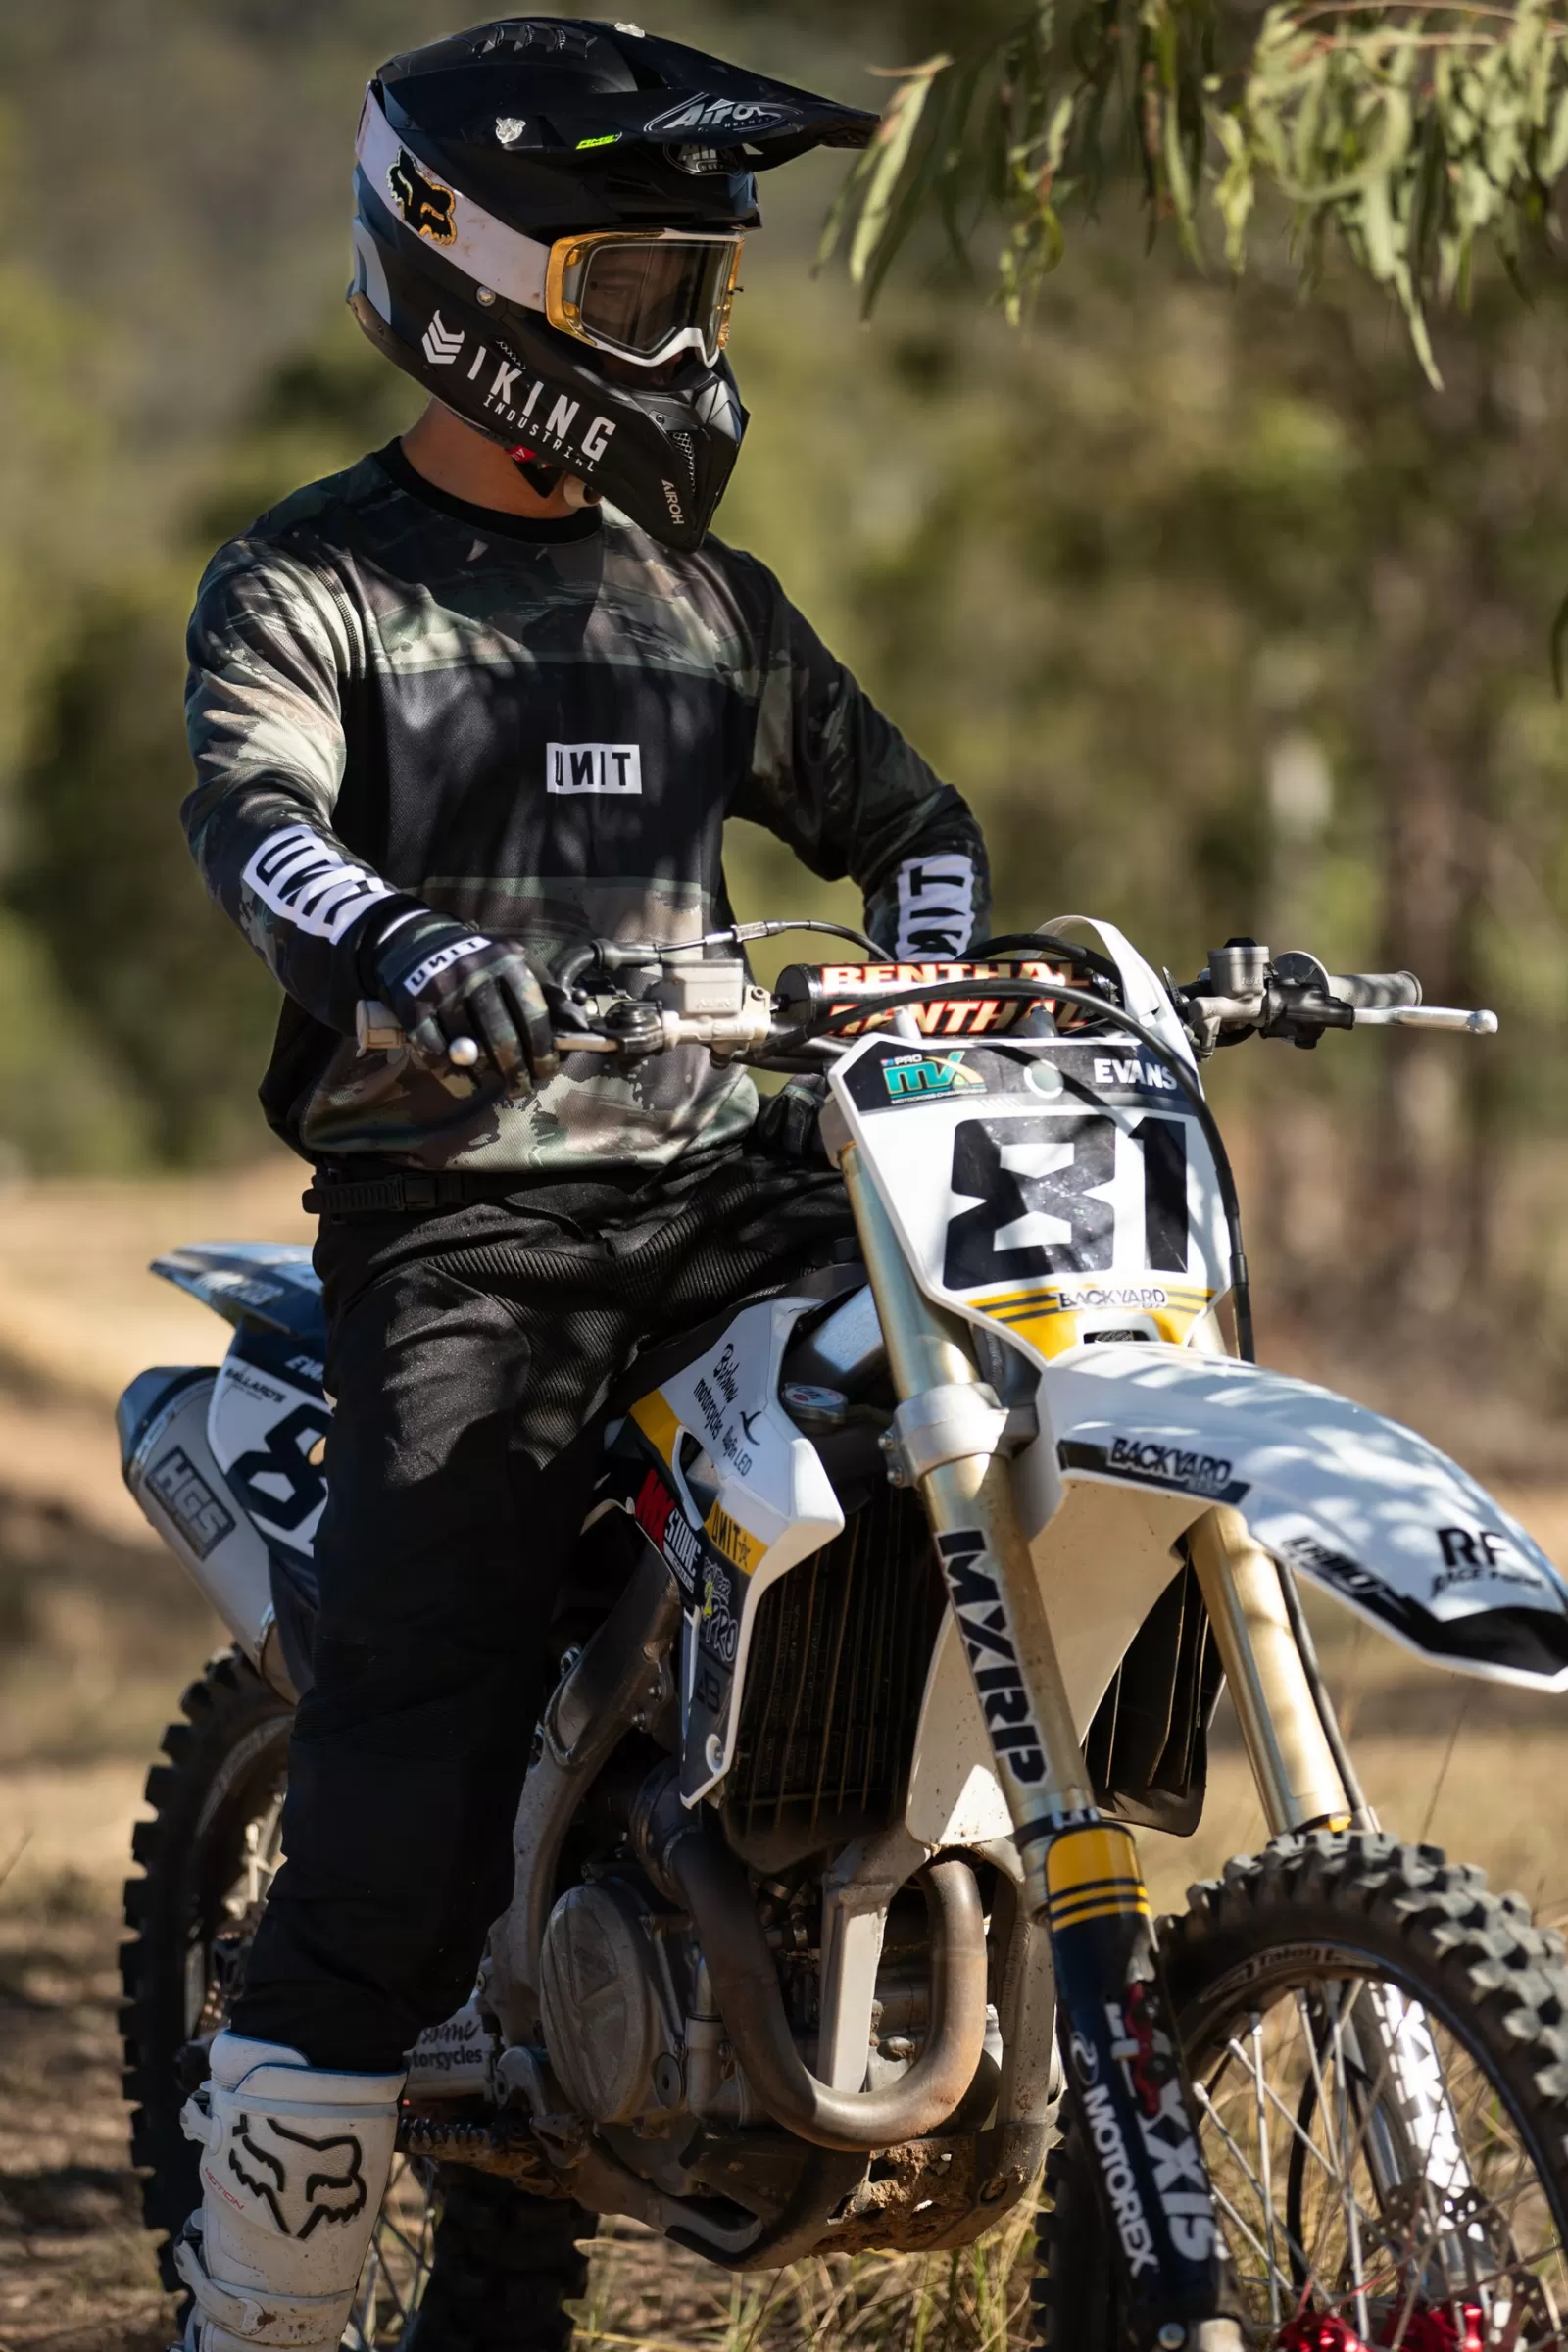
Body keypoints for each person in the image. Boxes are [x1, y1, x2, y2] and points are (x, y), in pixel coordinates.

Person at [173, 19, 991, 2349]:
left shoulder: (698, 598)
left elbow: (909, 824)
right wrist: (410, 949)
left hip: (737, 1191)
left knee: (964, 1467)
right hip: (465, 1226)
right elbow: (258, 824)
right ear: (465, 276)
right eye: (637, 285)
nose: (682, 336)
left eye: (699, 292)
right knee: (403, 1773)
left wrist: (926, 983)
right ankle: (259, 2307)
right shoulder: (314, 582)